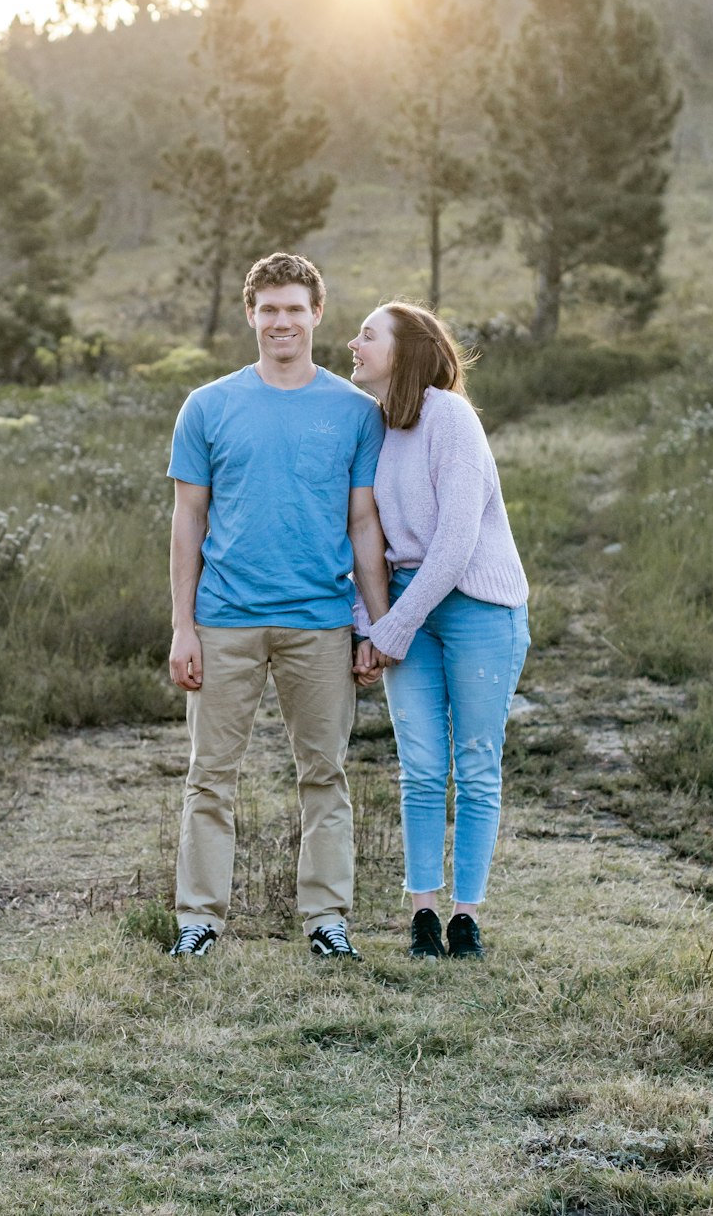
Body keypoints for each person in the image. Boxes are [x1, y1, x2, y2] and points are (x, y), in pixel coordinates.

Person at [166, 252, 391, 959]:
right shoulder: (208, 406)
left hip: (320, 622)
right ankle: (197, 922)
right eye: (270, 309)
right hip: (223, 619)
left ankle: (327, 921)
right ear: (251, 315)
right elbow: (187, 521)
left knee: (324, 774)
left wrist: (374, 628)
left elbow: (364, 526)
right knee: (210, 777)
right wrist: (182, 627)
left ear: (317, 315)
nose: (283, 321)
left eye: (296, 308)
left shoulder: (356, 412)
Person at [348, 302, 530, 960]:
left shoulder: (450, 416)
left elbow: (454, 546)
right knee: (421, 768)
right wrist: (368, 622)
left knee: (476, 765)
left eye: (368, 334)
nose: (353, 343)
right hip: (406, 608)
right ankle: (423, 915)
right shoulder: (377, 425)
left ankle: (466, 917)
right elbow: (365, 535)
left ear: (406, 350)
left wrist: (388, 632)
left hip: (479, 606)